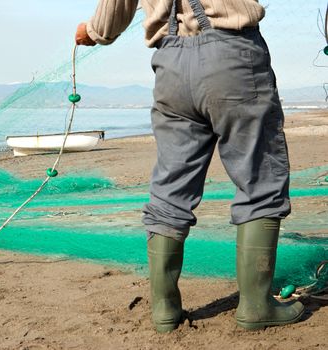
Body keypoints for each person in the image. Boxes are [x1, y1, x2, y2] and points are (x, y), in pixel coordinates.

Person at [75, 0, 304, 332]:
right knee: (260, 178)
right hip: (233, 54)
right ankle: (256, 306)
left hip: (171, 64)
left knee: (171, 187)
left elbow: (115, 8)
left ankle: (165, 311)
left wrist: (94, 31)